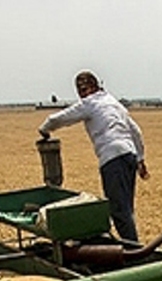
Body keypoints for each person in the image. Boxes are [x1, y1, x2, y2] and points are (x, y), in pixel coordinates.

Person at [38, 70, 149, 241]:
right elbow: (135, 131)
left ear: (94, 87)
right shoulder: (113, 102)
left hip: (112, 158)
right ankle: (130, 245)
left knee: (119, 211)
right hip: (129, 156)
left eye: (84, 89)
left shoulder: (90, 103)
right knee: (126, 208)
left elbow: (60, 118)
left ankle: (135, 251)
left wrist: (44, 129)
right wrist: (140, 159)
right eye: (79, 90)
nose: (82, 94)